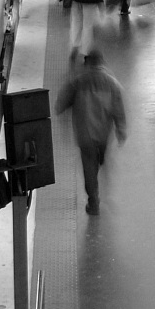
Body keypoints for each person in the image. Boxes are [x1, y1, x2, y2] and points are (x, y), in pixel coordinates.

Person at [55, 50, 127, 216]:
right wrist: (121, 129)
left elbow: (61, 103)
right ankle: (100, 156)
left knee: (89, 166)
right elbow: (118, 109)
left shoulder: (78, 81)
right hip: (103, 133)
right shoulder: (112, 83)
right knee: (98, 157)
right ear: (102, 63)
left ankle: (93, 200)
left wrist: (61, 109)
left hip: (85, 134)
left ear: (87, 64)